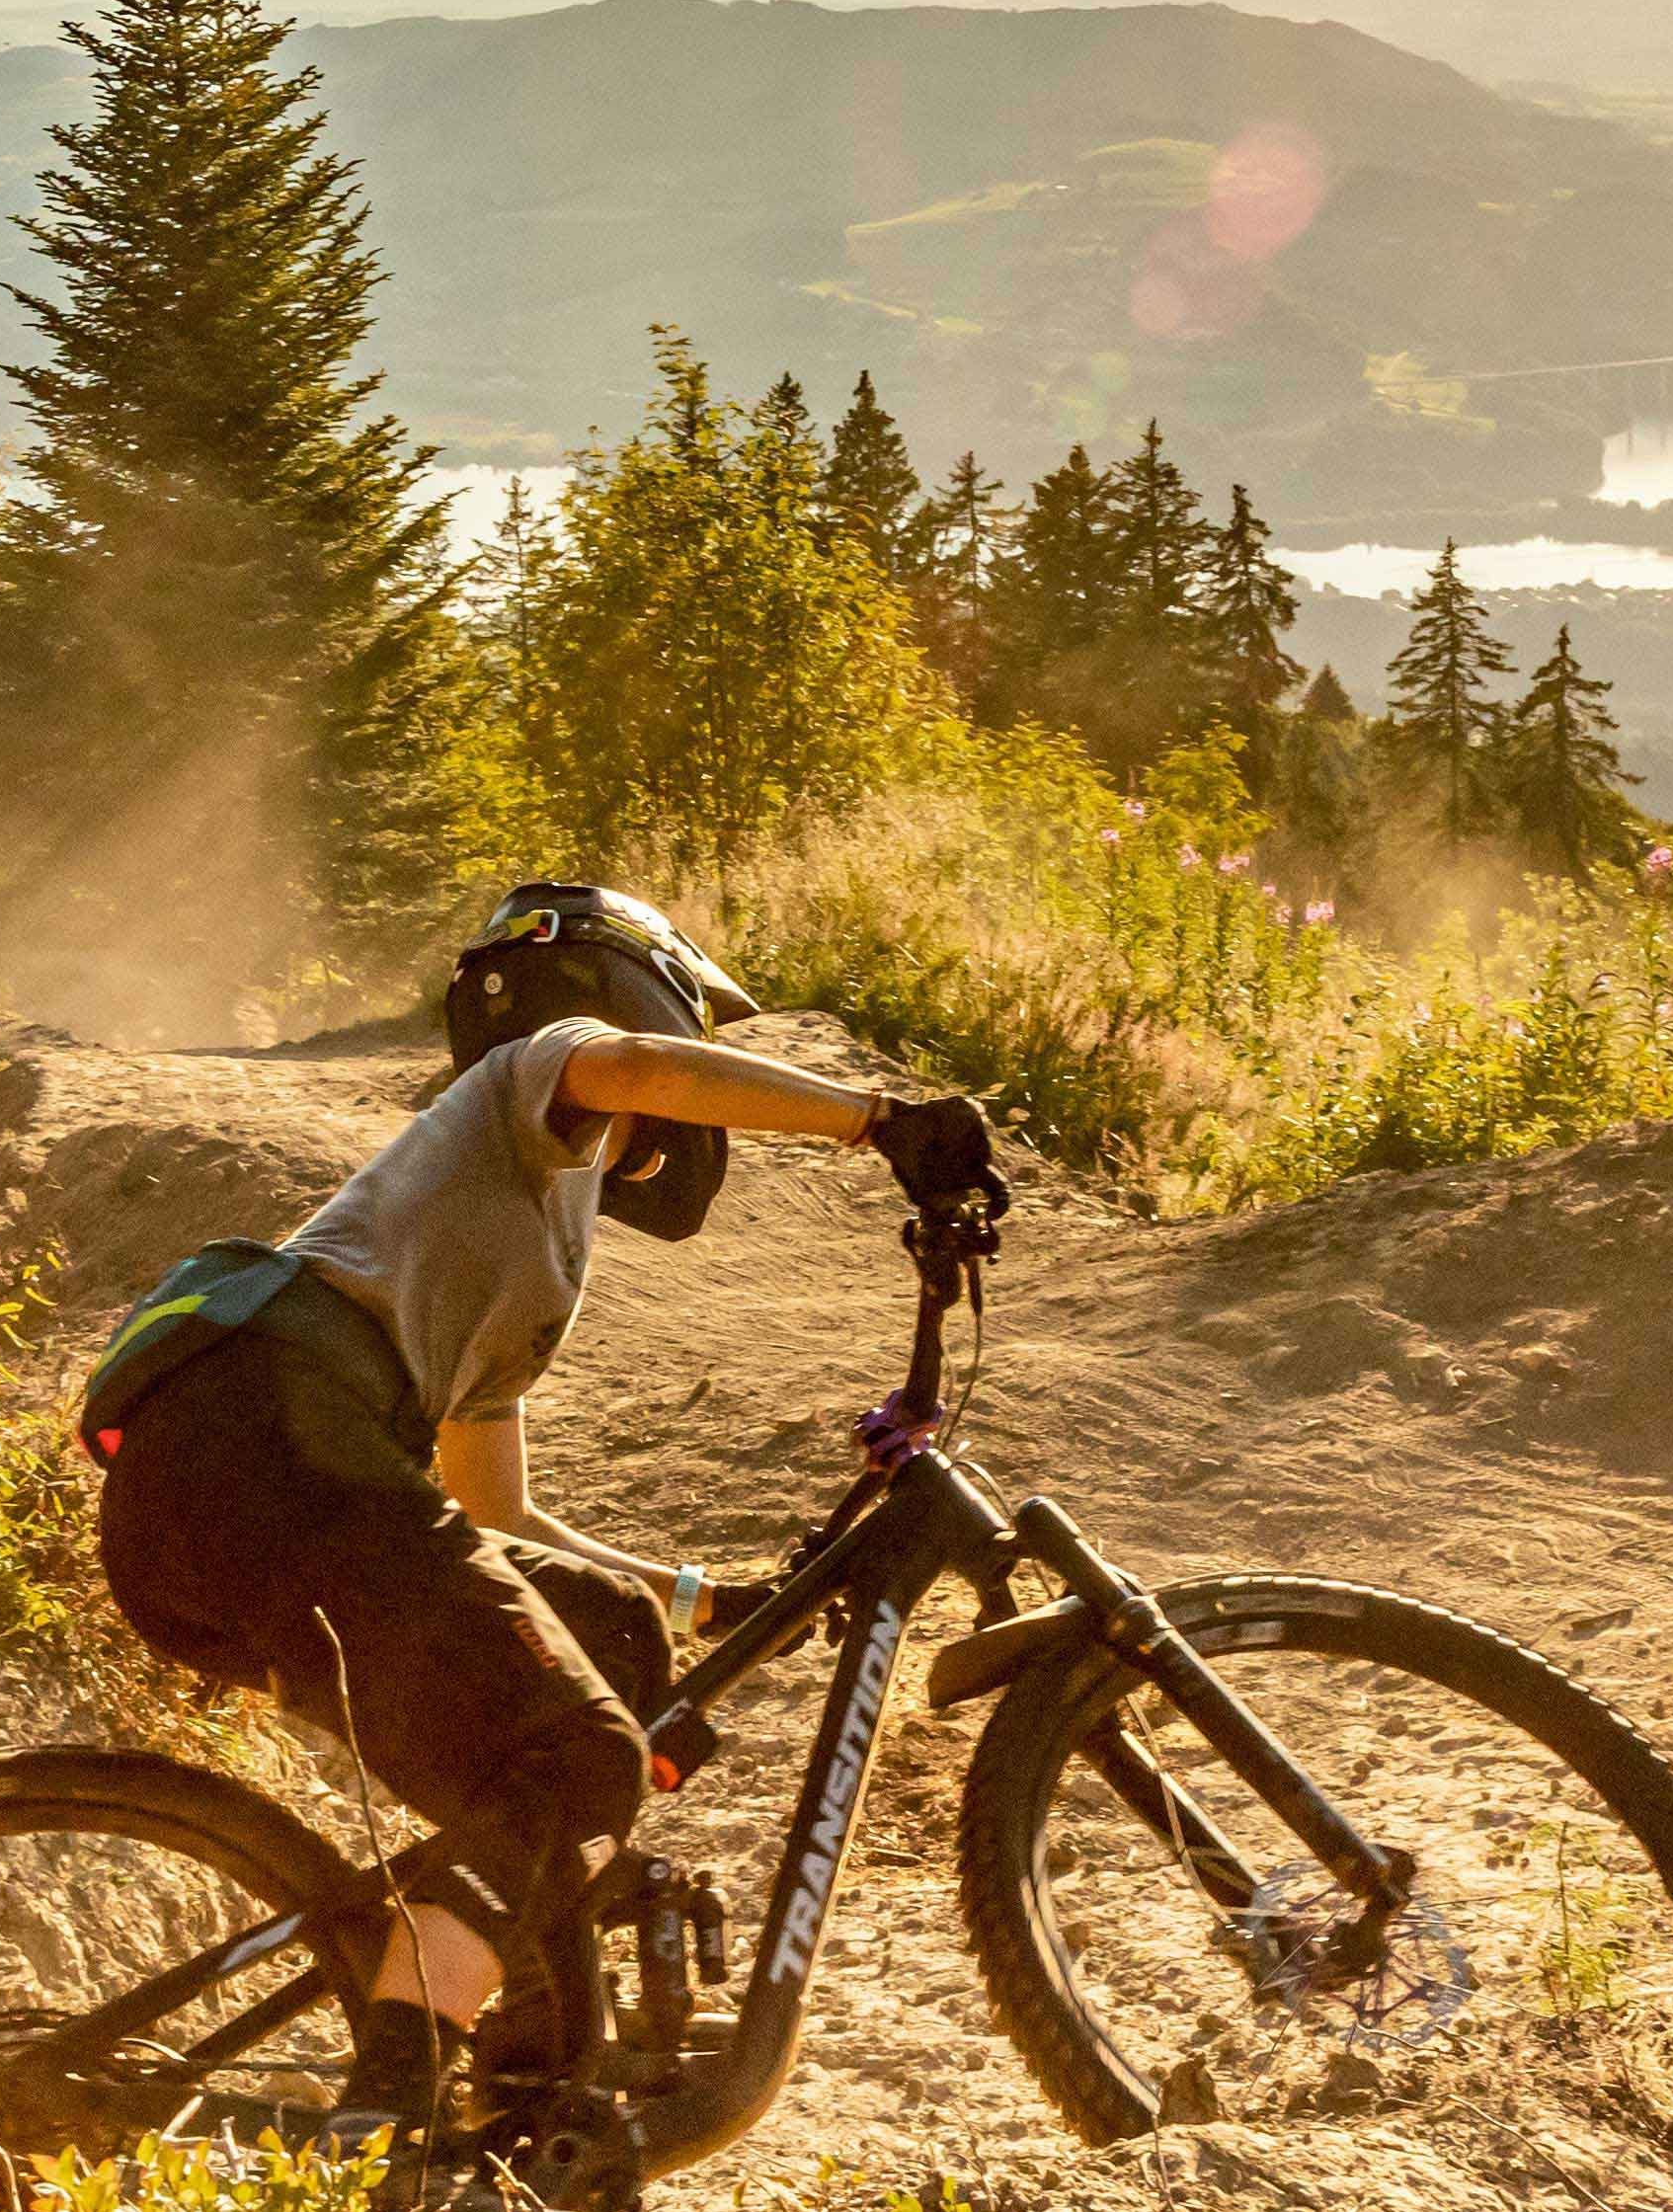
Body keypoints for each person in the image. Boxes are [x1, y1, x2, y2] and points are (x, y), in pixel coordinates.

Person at [89, 880, 997, 2103]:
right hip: (273, 1436)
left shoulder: (523, 1242)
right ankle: (390, 2109)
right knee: (581, 1753)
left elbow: (498, 1520)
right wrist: (877, 1119)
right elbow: (639, 1067)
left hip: (228, 1493)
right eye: (692, 1027)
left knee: (604, 1647)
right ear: (632, 991)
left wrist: (705, 1601)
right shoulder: (533, 1070)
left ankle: (529, 2076)